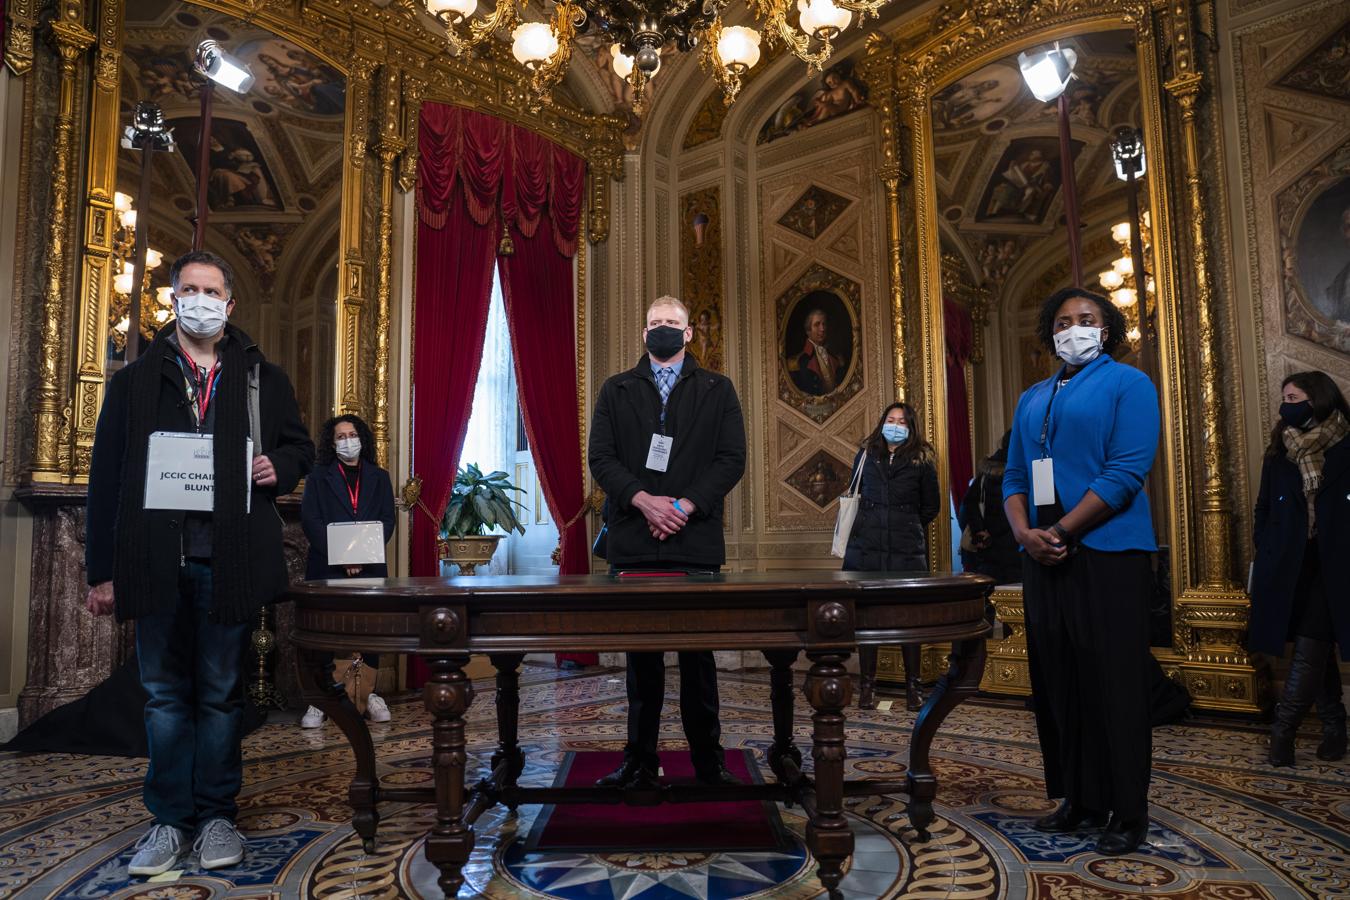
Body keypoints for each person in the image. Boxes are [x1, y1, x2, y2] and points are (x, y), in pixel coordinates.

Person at [85, 250, 314, 876]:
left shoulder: (261, 377)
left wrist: (280, 467)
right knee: (162, 698)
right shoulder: (134, 381)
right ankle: (168, 821)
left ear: (230, 304)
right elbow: (105, 478)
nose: (202, 299)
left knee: (218, 696)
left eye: (213, 290)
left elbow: (300, 446)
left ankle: (215, 815)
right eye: (190, 288)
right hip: (155, 558)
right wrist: (99, 570)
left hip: (229, 560)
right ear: (173, 298)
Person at [1003, 287, 1159, 856]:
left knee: (1113, 682)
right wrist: (1025, 535)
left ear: (1106, 329)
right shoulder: (1032, 397)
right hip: (1042, 555)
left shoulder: (1129, 384)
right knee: (1059, 679)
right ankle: (1079, 797)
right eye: (1064, 321)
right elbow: (1015, 476)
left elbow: (1126, 471)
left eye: (1087, 320)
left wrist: (1064, 530)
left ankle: (1128, 809)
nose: (1075, 328)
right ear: (1051, 333)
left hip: (1108, 551)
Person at [588, 294, 747, 788]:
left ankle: (709, 762)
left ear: (688, 333)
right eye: (654, 322)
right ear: (643, 333)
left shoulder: (718, 389)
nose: (663, 329)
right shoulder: (616, 389)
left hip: (693, 538)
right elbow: (601, 457)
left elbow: (730, 458)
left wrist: (682, 506)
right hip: (634, 538)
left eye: (671, 323)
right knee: (642, 661)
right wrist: (645, 500)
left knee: (699, 660)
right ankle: (638, 759)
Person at [1249, 370, 1349, 766]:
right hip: (1293, 564)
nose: (1286, 406)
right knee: (1315, 644)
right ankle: (1334, 723)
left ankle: (1283, 732)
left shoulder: (1346, 445)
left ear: (1319, 398)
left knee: (1311, 643)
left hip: (1336, 563)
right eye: (1284, 398)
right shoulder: (1281, 449)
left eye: (1294, 398)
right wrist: (1266, 544)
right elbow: (1263, 508)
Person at [298, 414, 398, 729]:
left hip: (369, 565)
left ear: (362, 439)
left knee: (369, 629)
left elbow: (387, 520)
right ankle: (320, 700)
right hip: (328, 565)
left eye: (352, 434)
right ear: (332, 442)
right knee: (326, 630)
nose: (347, 441)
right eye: (340, 436)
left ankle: (368, 694)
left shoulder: (380, 477)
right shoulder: (317, 477)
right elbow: (311, 522)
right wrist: (343, 556)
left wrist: (359, 555)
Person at [843, 402, 940, 711]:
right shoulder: (866, 455)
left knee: (908, 619)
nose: (895, 424)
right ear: (882, 422)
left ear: (910, 427)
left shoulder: (922, 460)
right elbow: (855, 492)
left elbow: (931, 507)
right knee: (868, 621)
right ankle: (867, 687)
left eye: (902, 420)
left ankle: (914, 688)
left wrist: (904, 524)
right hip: (868, 550)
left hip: (906, 551)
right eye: (891, 419)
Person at [959, 430, 1021, 585]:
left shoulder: (986, 473)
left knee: (991, 593)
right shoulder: (1022, 468)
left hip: (989, 546)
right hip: (1016, 543)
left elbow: (969, 504)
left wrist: (978, 530)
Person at [790, 308, 848, 396]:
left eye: (824, 324)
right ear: (808, 330)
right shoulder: (797, 361)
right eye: (817, 325)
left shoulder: (836, 357)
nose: (822, 329)